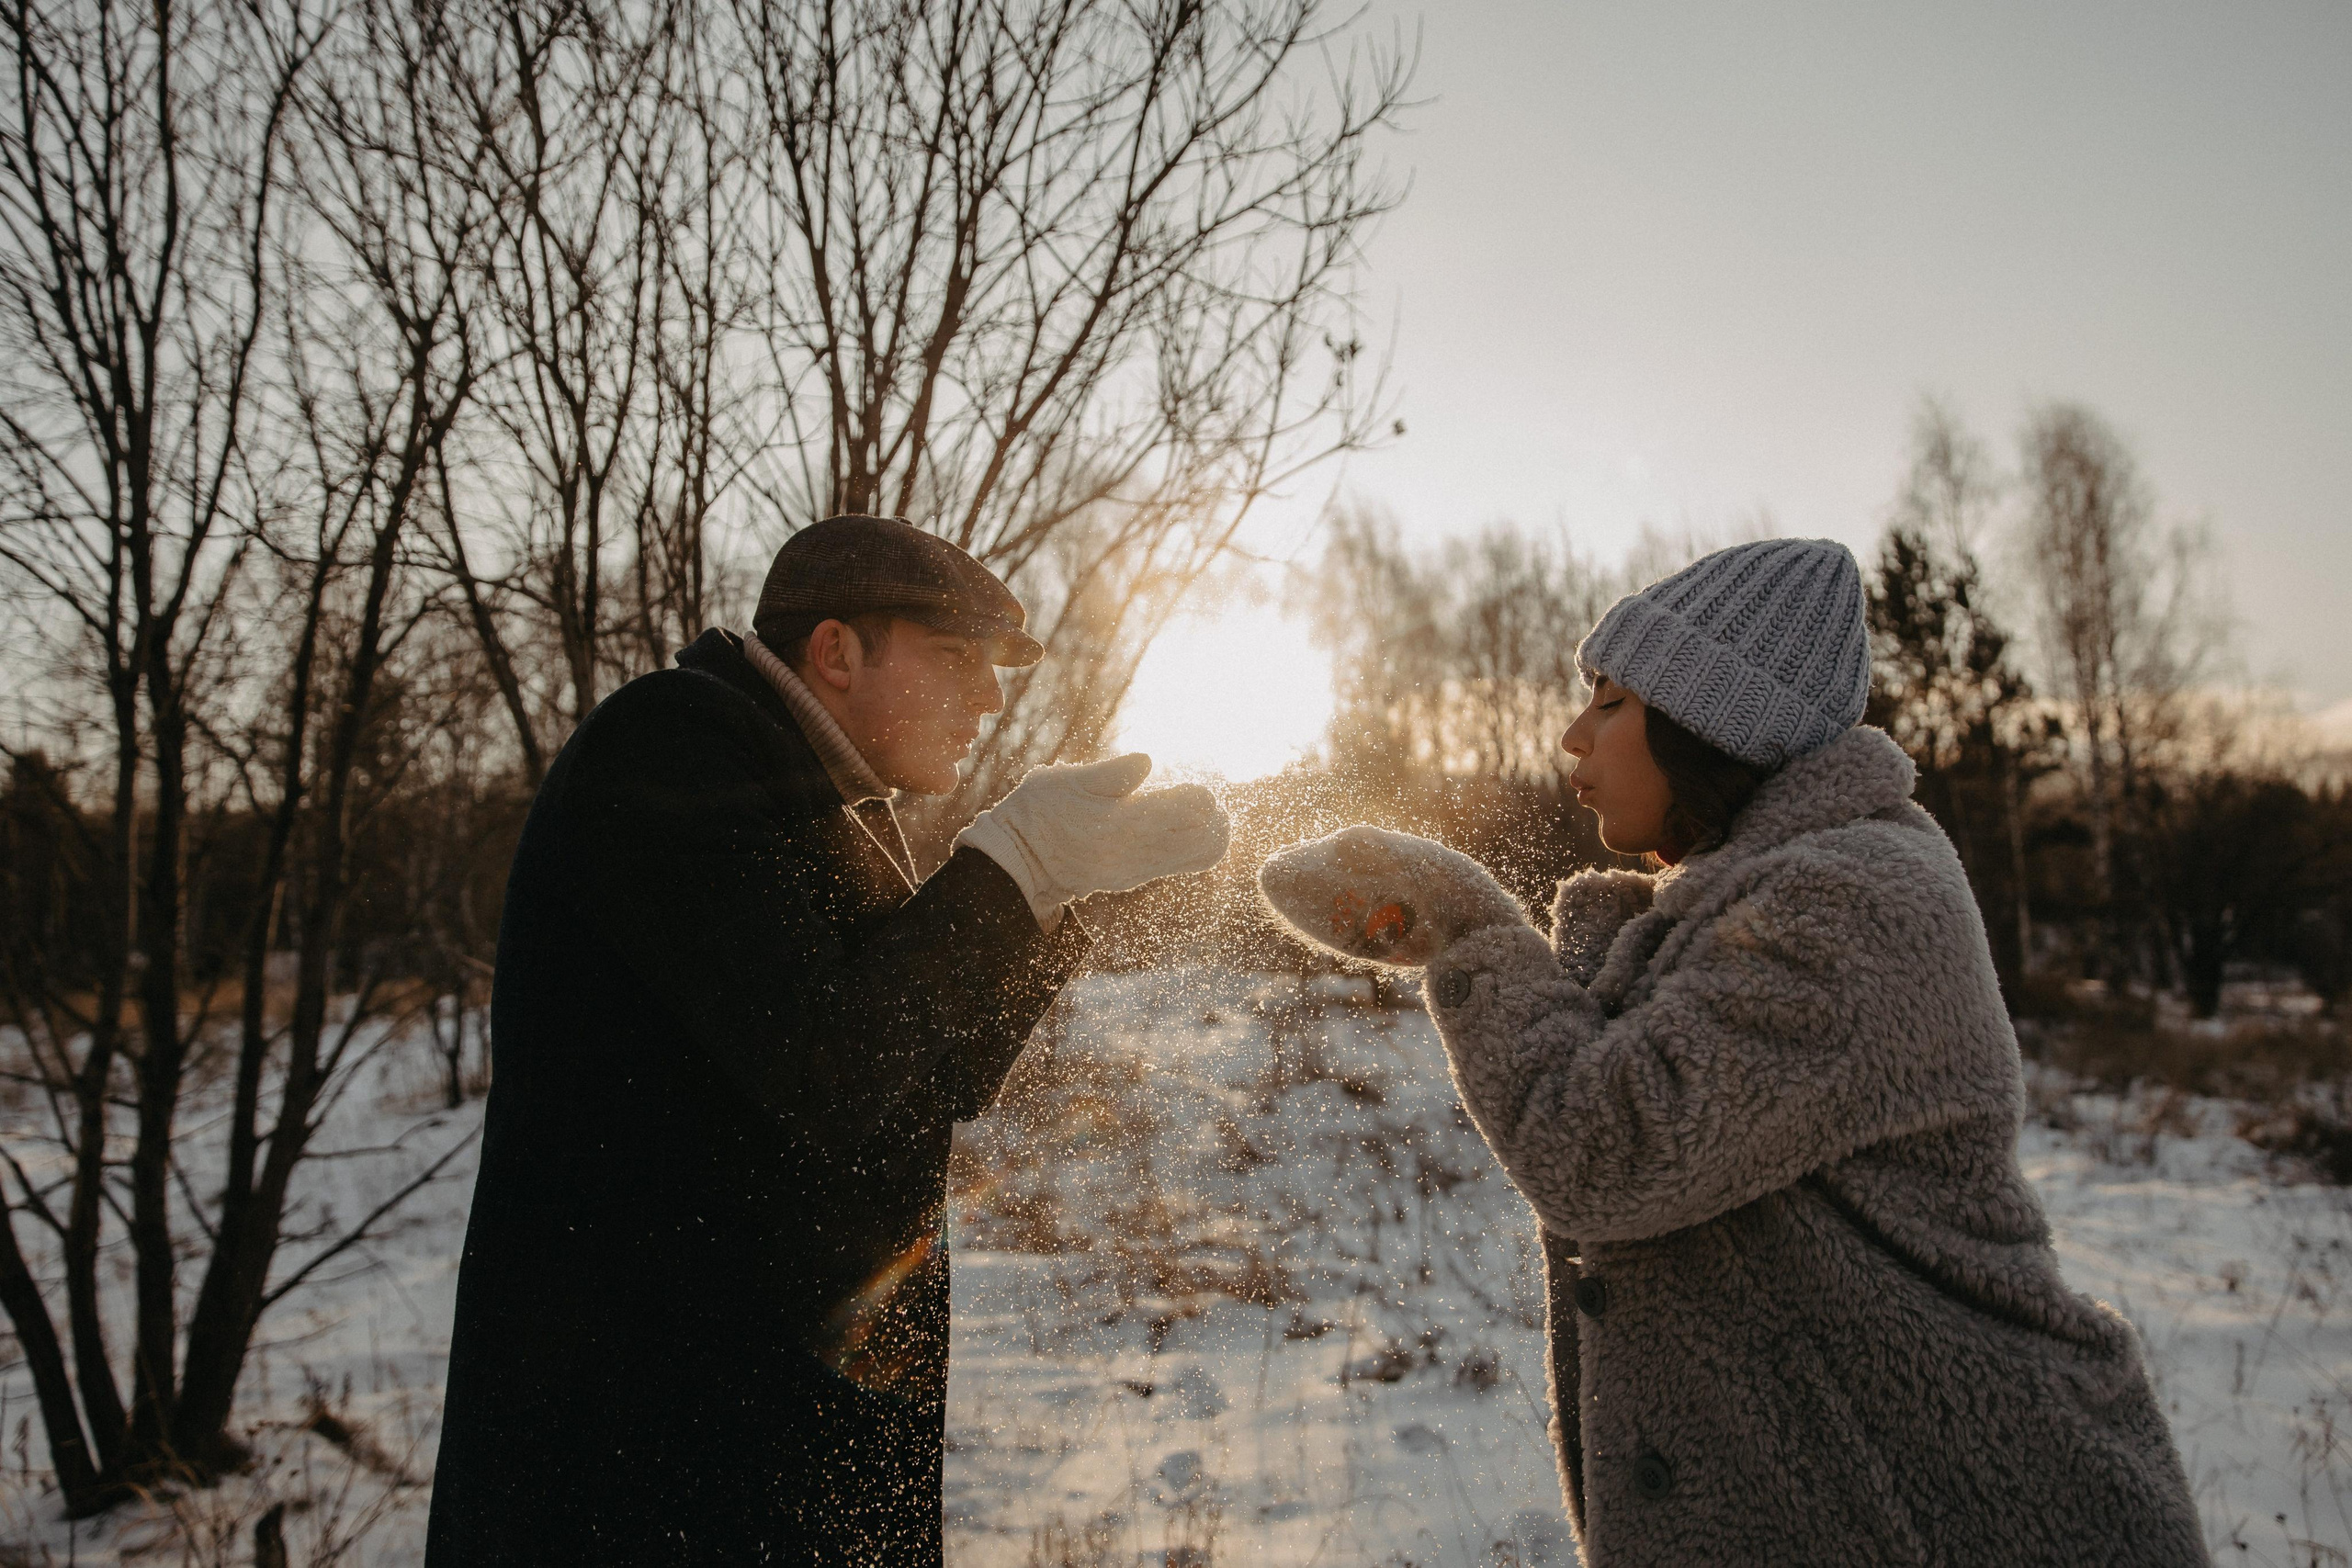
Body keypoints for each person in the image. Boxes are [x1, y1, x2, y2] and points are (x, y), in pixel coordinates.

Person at [1258, 537, 2204, 1568]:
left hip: (1964, 1519)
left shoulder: (1851, 900)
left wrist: (1474, 932)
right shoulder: (1774, 893)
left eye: (1611, 702)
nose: (1574, 736)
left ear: (1712, 722)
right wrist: (1455, 930)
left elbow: (1605, 1153)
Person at [424, 514, 1228, 1566]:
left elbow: (931, 1078)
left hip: (768, 1437)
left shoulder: (832, 807)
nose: (989, 700)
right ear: (836, 651)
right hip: (638, 1461)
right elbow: (828, 1068)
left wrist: (1041, 894)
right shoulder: (671, 746)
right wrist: (1008, 866)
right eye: (956, 660)